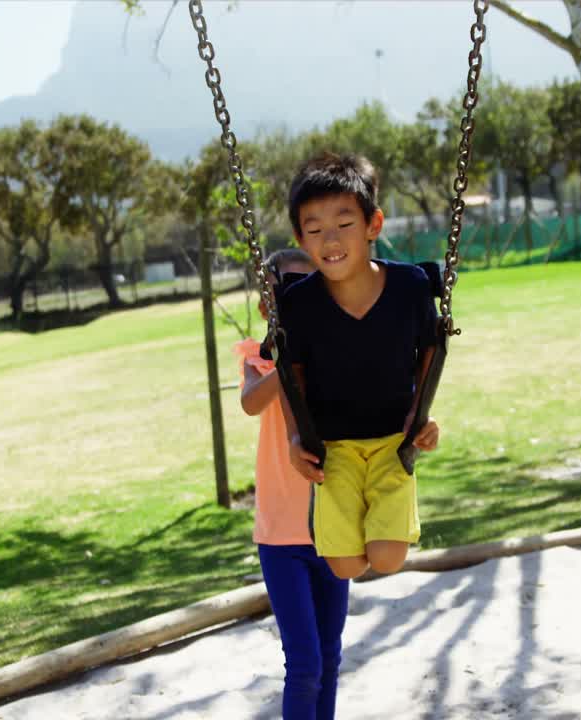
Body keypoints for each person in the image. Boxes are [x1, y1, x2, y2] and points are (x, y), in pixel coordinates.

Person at [266, 151, 441, 581]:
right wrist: (294, 437)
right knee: (344, 566)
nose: (331, 241)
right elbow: (293, 375)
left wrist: (421, 415)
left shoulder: (410, 289)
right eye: (315, 230)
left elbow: (431, 353)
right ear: (300, 238)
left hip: (394, 442)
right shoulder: (299, 304)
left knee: (387, 558)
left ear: (372, 226)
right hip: (333, 448)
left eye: (344, 225)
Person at [236, 248, 348, 720]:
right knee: (303, 664)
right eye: (290, 290)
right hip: (281, 538)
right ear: (267, 305)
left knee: (330, 656)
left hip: (334, 529)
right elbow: (249, 402)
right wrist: (287, 358)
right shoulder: (259, 357)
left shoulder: (335, 352)